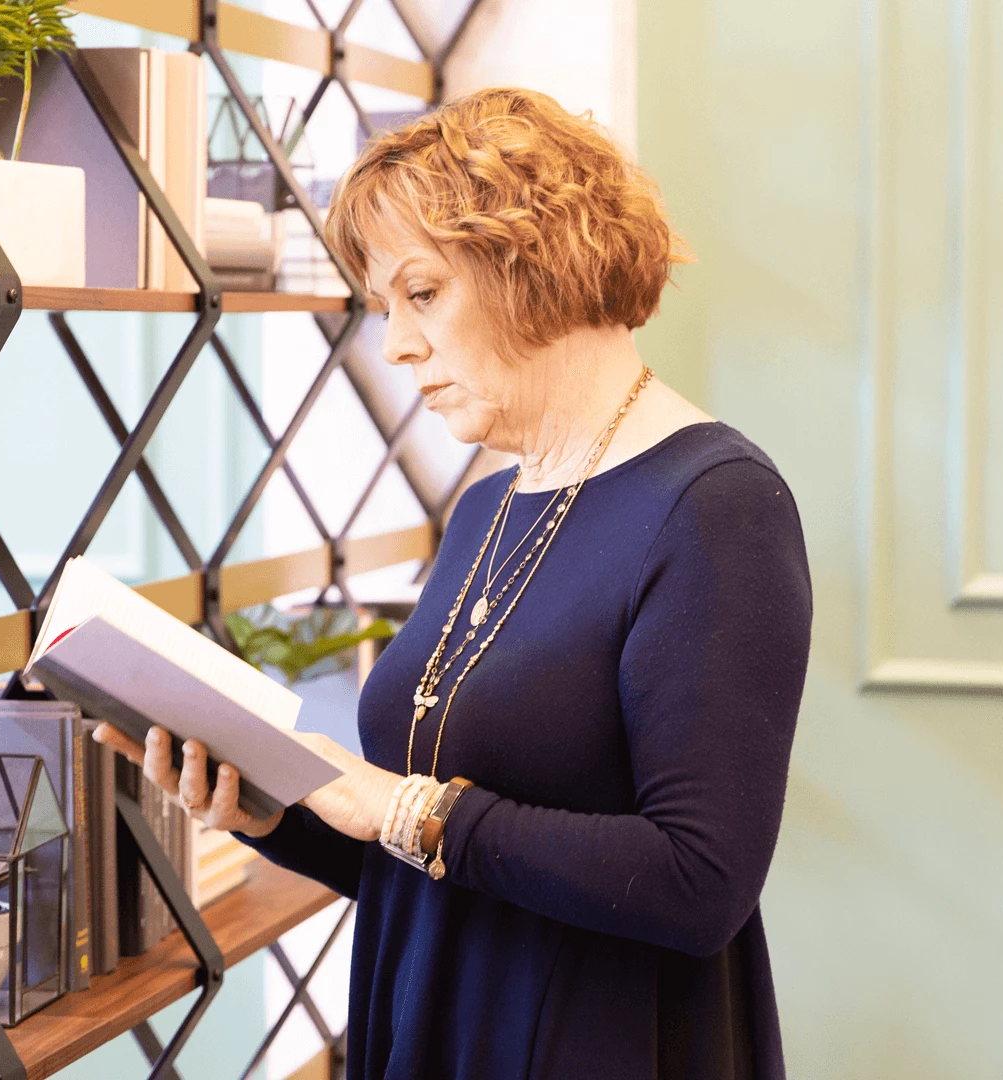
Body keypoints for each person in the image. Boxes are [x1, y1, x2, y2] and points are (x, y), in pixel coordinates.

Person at [94, 86, 811, 1080]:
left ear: (537, 263)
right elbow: (434, 868)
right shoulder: (486, 508)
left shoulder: (716, 506)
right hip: (436, 1022)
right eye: (386, 307)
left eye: (421, 294)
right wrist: (280, 815)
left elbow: (699, 886)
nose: (394, 344)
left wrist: (396, 806)